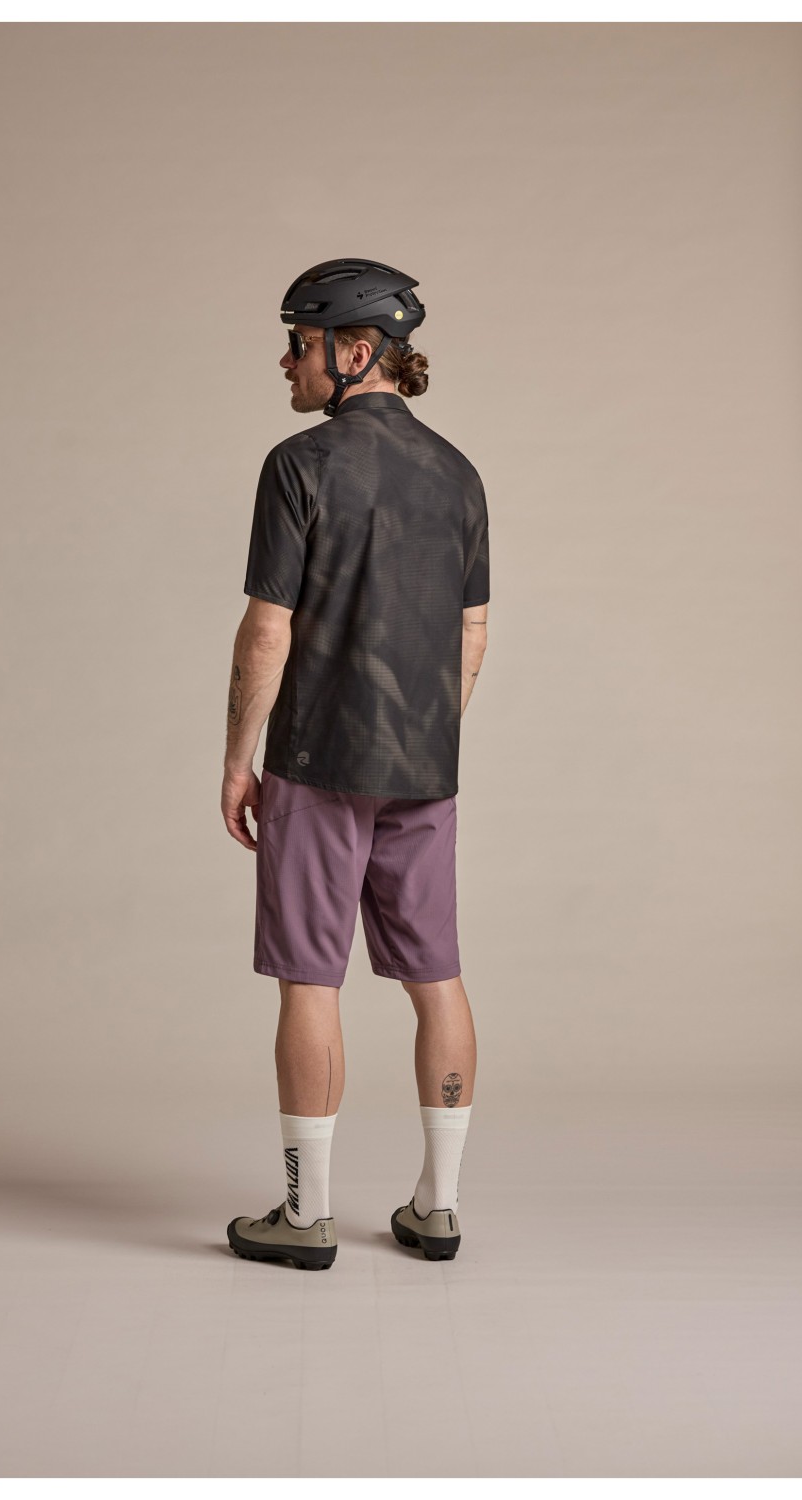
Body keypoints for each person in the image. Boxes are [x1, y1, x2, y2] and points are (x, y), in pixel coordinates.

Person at [220, 259, 491, 1271]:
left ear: (356, 350)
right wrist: (426, 735)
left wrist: (239, 759)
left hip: (315, 760)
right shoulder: (459, 473)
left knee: (310, 981)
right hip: (426, 767)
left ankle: (307, 1217)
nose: (286, 360)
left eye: (300, 342)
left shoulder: (300, 465)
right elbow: (472, 631)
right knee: (438, 977)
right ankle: (439, 1208)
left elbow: (267, 630)